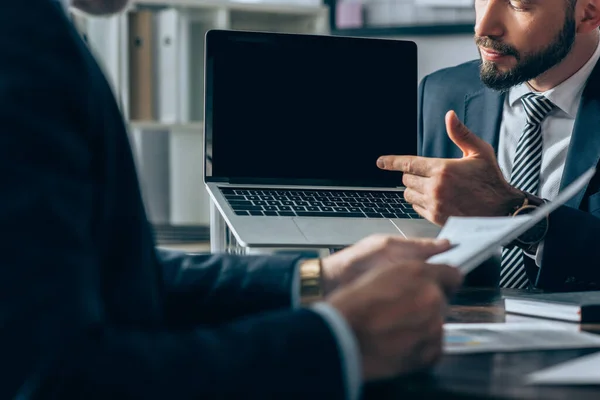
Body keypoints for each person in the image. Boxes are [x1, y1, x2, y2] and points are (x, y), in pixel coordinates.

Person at [0, 0, 464, 399]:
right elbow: (54, 380)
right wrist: (342, 339)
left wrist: (316, 278)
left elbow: (112, 275)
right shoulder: (22, 38)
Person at [377, 0, 600, 291]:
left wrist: (513, 211)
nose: (483, 27)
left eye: (519, 5)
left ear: (588, 13)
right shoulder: (441, 91)